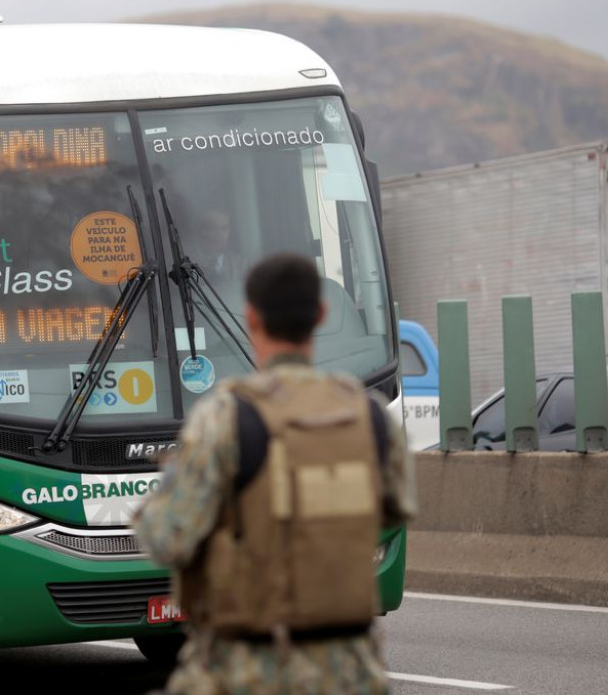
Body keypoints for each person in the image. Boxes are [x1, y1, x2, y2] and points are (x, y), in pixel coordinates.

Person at [134, 253, 415, 695]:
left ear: (251, 319)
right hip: (350, 673)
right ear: (320, 315)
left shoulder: (225, 418)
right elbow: (393, 511)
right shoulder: (371, 418)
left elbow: (165, 536)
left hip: (247, 670)